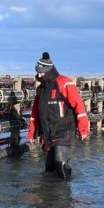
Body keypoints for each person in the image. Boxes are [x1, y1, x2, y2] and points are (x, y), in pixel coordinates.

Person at [27, 52, 89, 180]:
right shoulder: (41, 89)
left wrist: (83, 128)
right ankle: (49, 196)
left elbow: (79, 105)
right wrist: (32, 133)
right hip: (47, 132)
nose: (39, 75)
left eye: (41, 73)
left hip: (63, 130)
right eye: (38, 73)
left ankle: (64, 194)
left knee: (60, 163)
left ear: (49, 70)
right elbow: (35, 112)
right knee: (49, 168)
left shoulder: (65, 83)